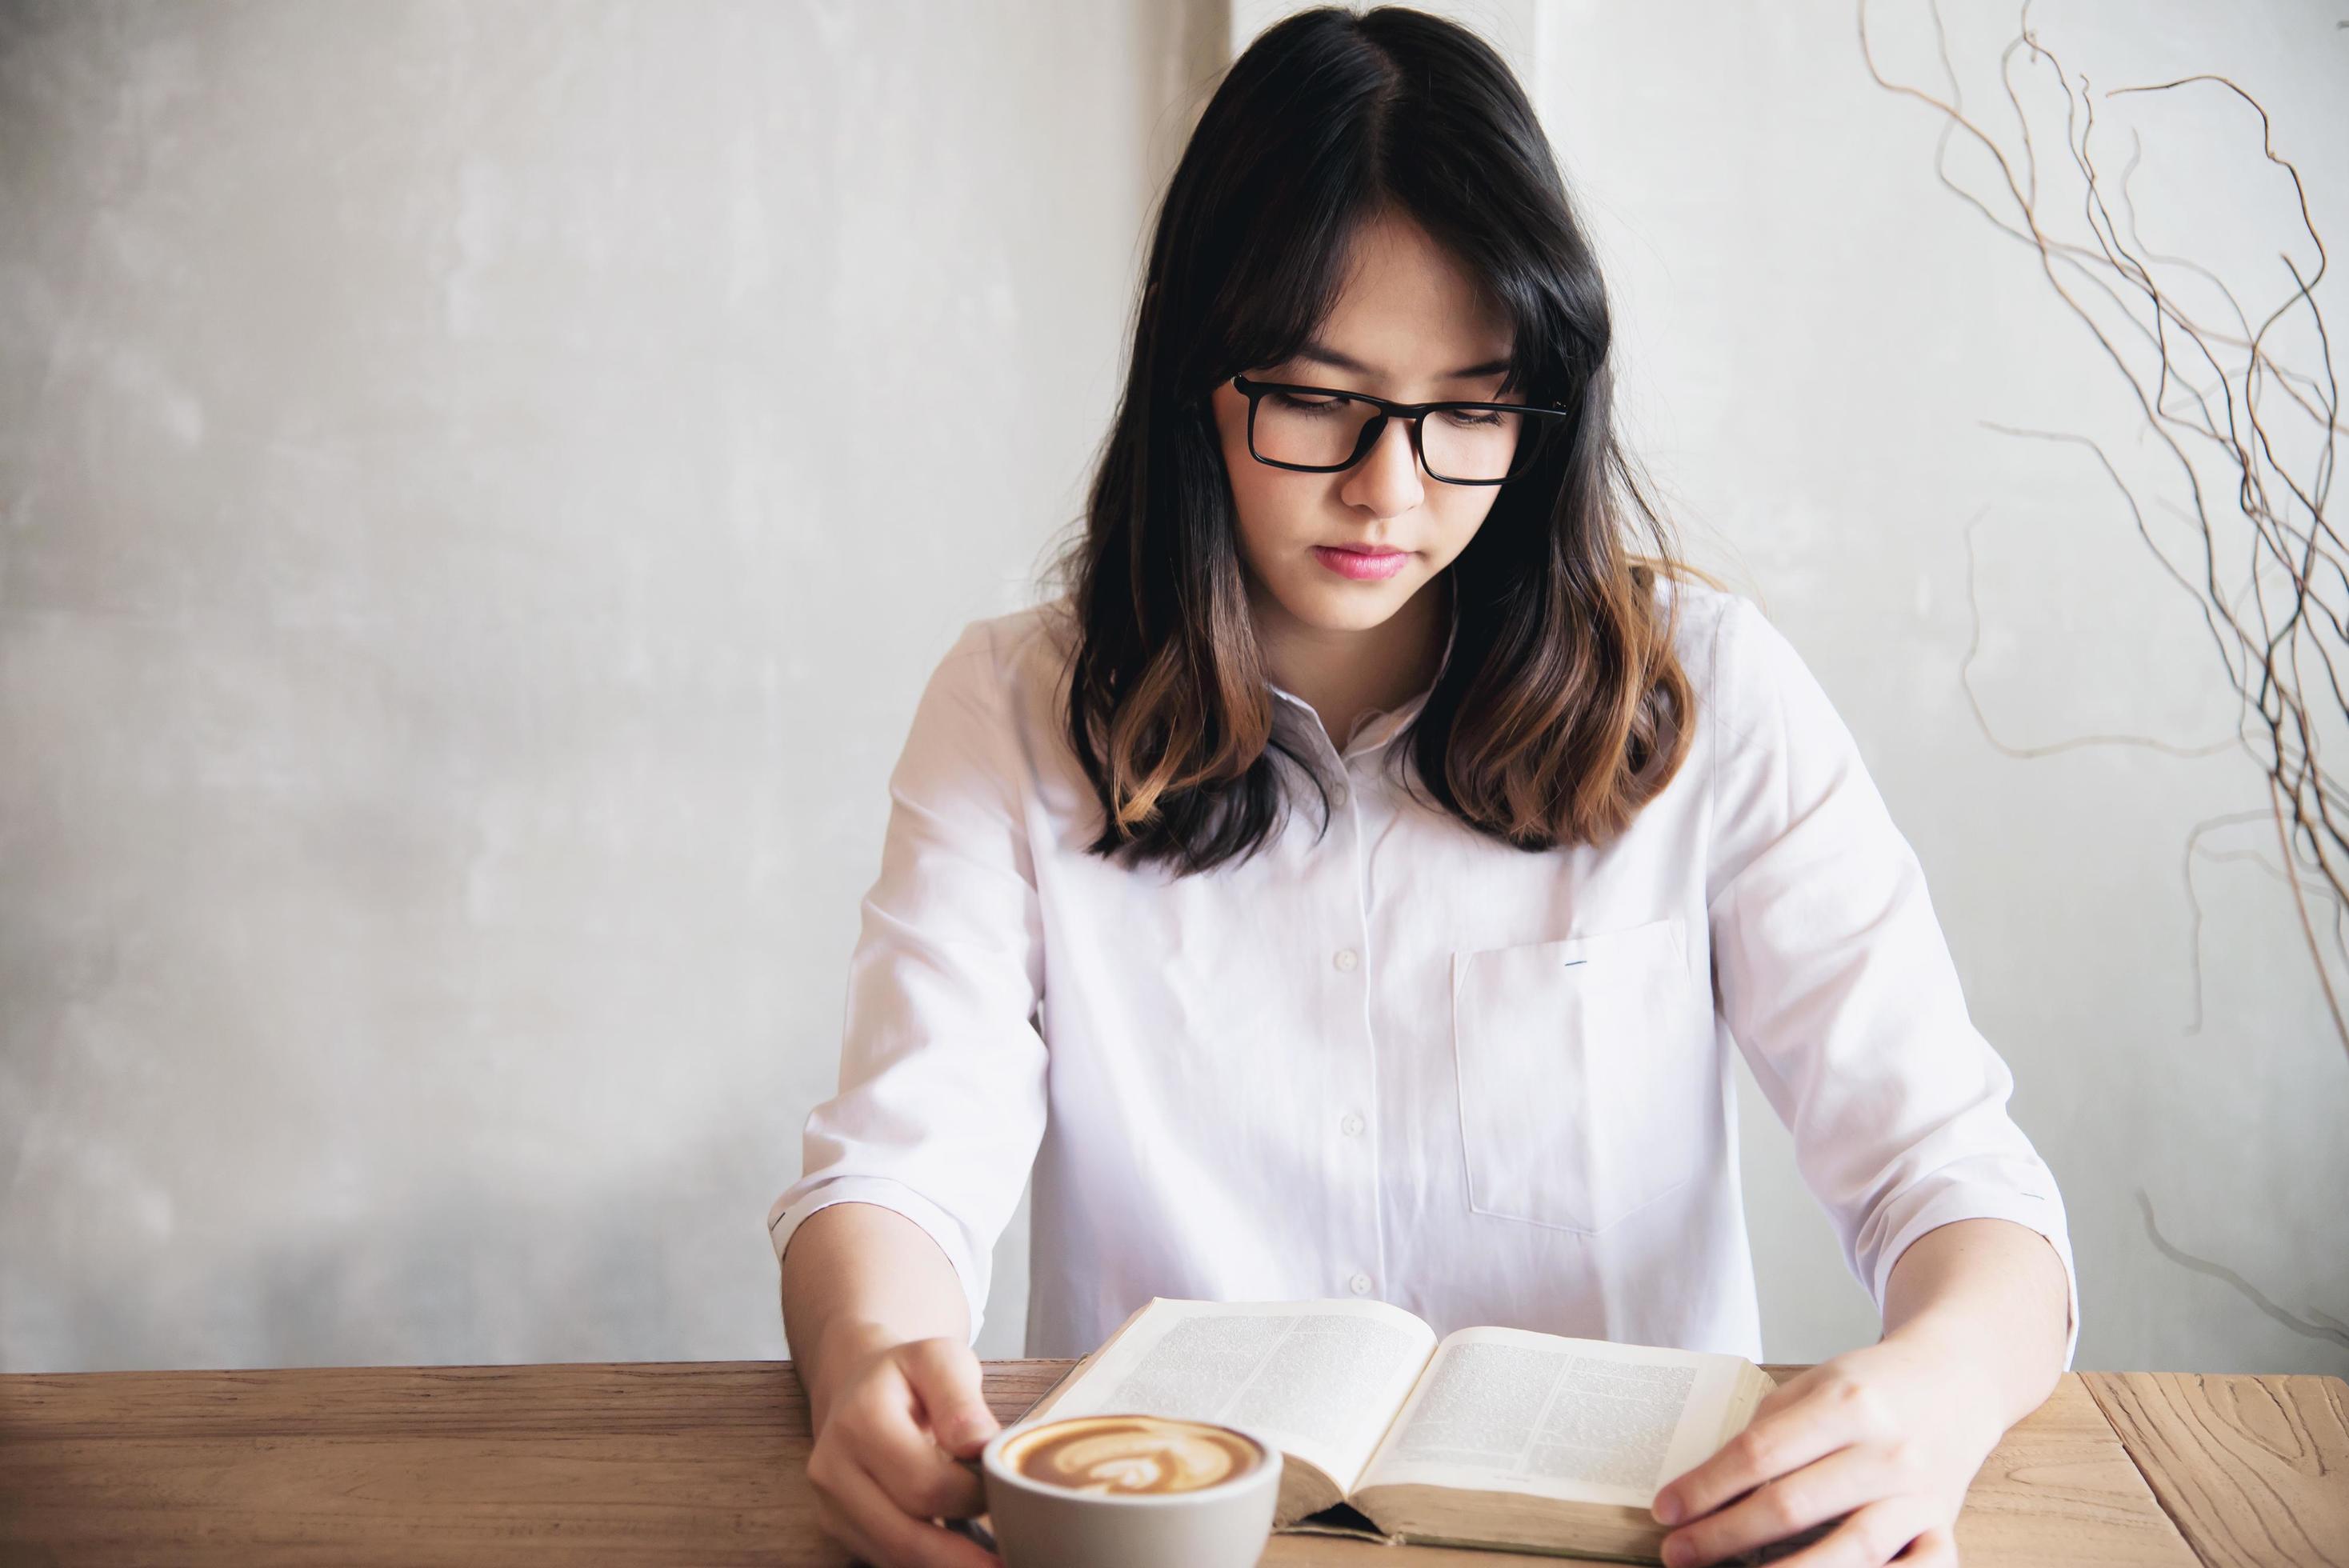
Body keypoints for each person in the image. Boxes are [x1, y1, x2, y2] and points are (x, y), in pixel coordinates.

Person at [770, 8, 2077, 1566]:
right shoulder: (1015, 707)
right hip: (1168, 1535)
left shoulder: (1706, 695)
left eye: (1469, 409)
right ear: (1200, 371)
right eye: (1320, 398)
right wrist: (866, 1356)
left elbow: (1958, 1179)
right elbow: (895, 1172)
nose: (1390, 489)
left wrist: (1934, 1393)